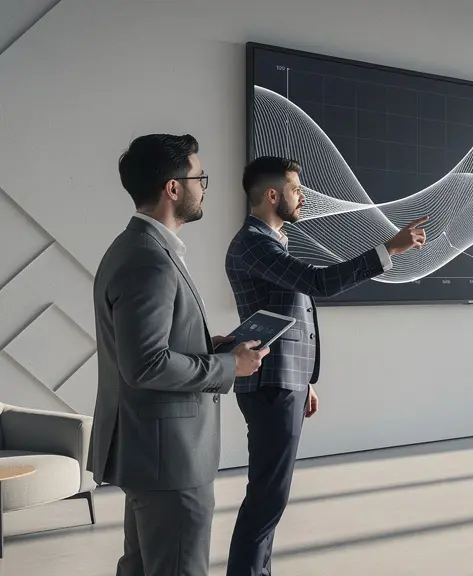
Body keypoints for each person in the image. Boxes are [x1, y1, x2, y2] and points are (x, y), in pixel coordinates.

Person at [223, 156, 426, 576]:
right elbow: (320, 283)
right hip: (270, 386)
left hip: (285, 382)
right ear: (272, 194)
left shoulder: (271, 242)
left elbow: (285, 315)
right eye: (297, 190)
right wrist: (389, 249)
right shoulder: (254, 243)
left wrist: (306, 381)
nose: (303, 198)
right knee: (267, 499)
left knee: (270, 497)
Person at [88, 133, 269, 576]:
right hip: (169, 457)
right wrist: (230, 365)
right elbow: (146, 364)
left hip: (151, 451)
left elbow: (149, 346)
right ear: (173, 187)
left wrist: (211, 346)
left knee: (142, 566)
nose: (203, 186)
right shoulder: (149, 259)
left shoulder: (136, 249)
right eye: (198, 176)